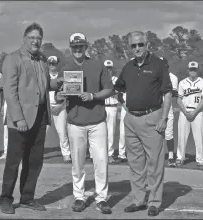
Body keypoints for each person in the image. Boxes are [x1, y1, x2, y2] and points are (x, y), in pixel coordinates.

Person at [0, 23, 61, 214]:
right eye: (32, 37)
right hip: (20, 120)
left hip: (41, 116)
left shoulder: (41, 59)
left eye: (38, 38)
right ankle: (6, 199)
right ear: (25, 38)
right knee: (13, 161)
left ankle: (27, 197)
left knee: (34, 162)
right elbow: (10, 91)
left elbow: (42, 85)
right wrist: (19, 119)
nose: (35, 41)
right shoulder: (12, 59)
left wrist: (58, 84)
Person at [113, 31, 173, 217]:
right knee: (135, 163)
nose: (137, 48)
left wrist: (163, 118)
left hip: (152, 118)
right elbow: (118, 89)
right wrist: (126, 108)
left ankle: (154, 201)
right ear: (129, 47)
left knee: (155, 163)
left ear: (147, 45)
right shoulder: (128, 66)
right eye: (133, 45)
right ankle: (139, 200)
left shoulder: (158, 64)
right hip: (131, 119)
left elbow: (168, 93)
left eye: (140, 44)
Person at [58, 32, 114, 214]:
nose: (77, 49)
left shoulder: (97, 65)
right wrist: (59, 96)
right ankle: (79, 196)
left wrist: (93, 95)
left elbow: (109, 89)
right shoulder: (66, 66)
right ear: (71, 48)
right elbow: (59, 90)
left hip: (97, 120)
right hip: (75, 121)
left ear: (85, 47)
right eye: (74, 46)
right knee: (77, 162)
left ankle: (102, 198)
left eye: (80, 46)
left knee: (101, 160)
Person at [176, 61, 203, 168]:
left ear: (197, 70)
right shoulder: (182, 83)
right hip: (184, 112)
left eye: (194, 69)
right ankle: (180, 157)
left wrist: (195, 112)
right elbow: (178, 99)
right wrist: (185, 112)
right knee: (181, 136)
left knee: (199, 137)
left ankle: (201, 160)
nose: (193, 71)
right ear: (188, 70)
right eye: (191, 69)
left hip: (198, 112)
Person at [47, 55, 71, 163]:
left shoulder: (62, 76)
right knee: (42, 133)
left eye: (54, 63)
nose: (52, 65)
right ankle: (37, 154)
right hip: (46, 108)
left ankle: (66, 154)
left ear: (57, 64)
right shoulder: (43, 76)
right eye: (50, 63)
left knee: (62, 132)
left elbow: (68, 95)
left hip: (60, 107)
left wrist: (60, 106)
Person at [159, 57, 179, 167]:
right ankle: (156, 157)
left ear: (167, 65)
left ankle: (171, 157)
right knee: (155, 135)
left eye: (163, 65)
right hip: (155, 109)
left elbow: (173, 93)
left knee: (169, 134)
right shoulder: (154, 76)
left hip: (168, 109)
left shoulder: (173, 77)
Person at [103, 60, 120, 163]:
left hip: (113, 107)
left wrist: (110, 91)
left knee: (111, 132)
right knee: (100, 131)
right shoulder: (100, 79)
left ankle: (110, 153)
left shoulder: (116, 80)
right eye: (106, 68)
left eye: (110, 68)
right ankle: (95, 154)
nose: (108, 70)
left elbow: (118, 91)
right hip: (102, 106)